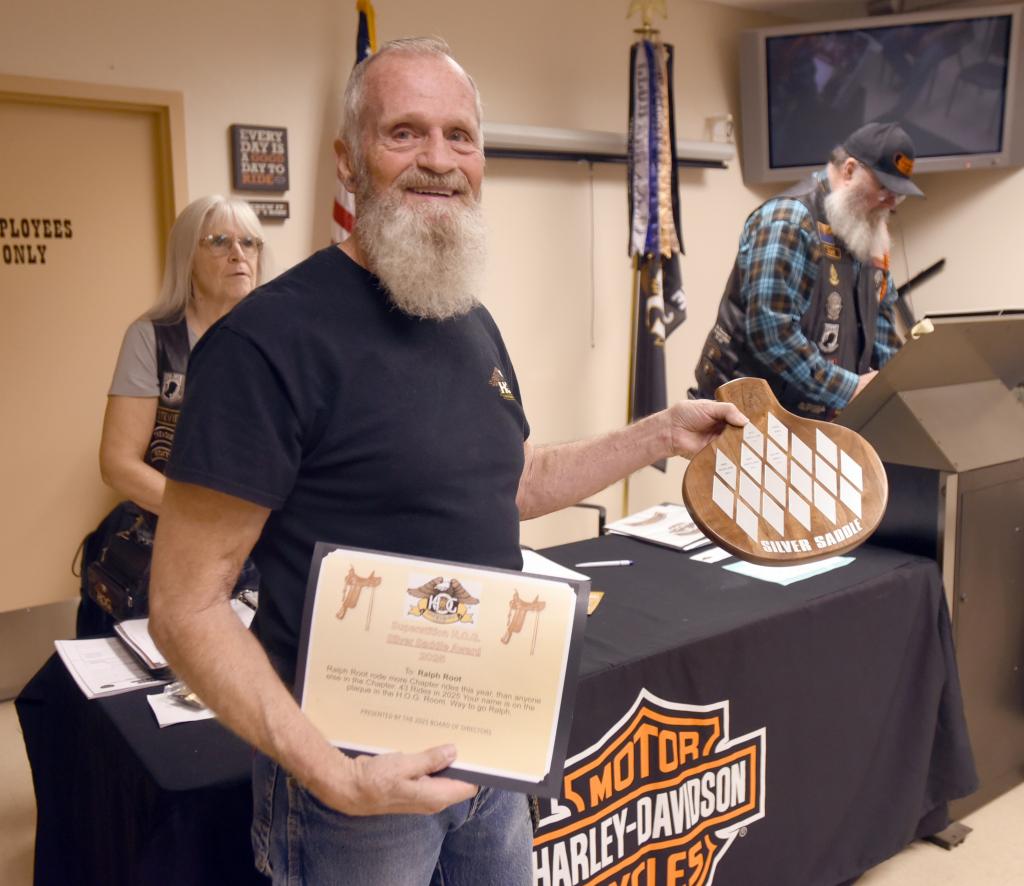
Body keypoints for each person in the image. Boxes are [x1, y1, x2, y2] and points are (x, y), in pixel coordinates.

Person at [149, 38, 746, 886]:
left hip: (489, 754)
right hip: (353, 789)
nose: (439, 159)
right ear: (348, 159)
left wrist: (658, 434)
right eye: (405, 133)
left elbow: (511, 482)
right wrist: (333, 775)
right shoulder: (264, 343)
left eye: (460, 136)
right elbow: (185, 608)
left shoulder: (465, 316)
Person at [78, 196, 267, 636]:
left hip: (255, 553)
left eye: (249, 242)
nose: (238, 254)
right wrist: (205, 517)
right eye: (219, 241)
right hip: (168, 549)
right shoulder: (154, 339)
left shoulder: (276, 340)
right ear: (187, 258)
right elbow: (118, 464)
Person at [690, 121, 924, 420]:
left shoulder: (867, 230)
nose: (891, 203)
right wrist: (849, 388)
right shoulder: (788, 219)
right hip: (743, 416)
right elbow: (771, 333)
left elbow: (880, 330)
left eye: (899, 194)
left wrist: (897, 386)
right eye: (885, 188)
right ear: (850, 171)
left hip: (813, 420)